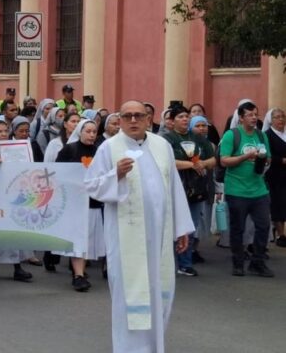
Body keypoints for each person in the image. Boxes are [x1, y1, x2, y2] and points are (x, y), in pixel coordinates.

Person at [86, 100, 194, 353]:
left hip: (159, 235)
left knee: (157, 289)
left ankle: (154, 347)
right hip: (125, 238)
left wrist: (181, 228)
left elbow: (173, 187)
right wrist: (116, 174)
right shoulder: (109, 148)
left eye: (138, 115)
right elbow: (91, 185)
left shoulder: (162, 145)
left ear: (148, 119)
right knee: (129, 292)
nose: (133, 120)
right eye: (127, 116)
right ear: (120, 121)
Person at [219, 101, 273, 277]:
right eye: (250, 115)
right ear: (241, 118)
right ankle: (238, 262)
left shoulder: (261, 136)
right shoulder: (232, 135)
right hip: (237, 190)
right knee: (238, 228)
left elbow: (269, 158)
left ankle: (257, 262)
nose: (254, 118)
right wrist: (246, 156)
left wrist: (263, 159)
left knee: (263, 226)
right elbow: (224, 161)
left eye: (256, 114)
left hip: (259, 189)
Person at [0, 118, 34, 282]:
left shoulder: (14, 148)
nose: (3, 134)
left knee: (13, 229)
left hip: (11, 193)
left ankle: (17, 267)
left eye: (5, 131)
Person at [163, 107, 216, 275]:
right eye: (180, 116)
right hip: (175, 186)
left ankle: (185, 263)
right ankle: (168, 262)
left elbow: (213, 159)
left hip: (196, 187)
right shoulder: (167, 139)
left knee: (190, 226)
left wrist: (202, 163)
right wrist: (192, 165)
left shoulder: (198, 138)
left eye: (187, 116)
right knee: (171, 225)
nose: (185, 119)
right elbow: (166, 161)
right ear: (172, 121)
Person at [55, 119, 103, 291]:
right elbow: (58, 173)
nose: (91, 135)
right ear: (80, 132)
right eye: (88, 131)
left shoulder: (99, 151)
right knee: (77, 238)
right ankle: (78, 275)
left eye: (94, 132)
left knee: (88, 238)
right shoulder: (69, 149)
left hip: (92, 201)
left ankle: (79, 270)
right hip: (74, 202)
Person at [265, 108, 286, 248]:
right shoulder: (268, 135)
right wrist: (282, 160)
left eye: (283, 116)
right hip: (275, 175)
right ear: (271, 120)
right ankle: (281, 235)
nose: (281, 119)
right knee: (278, 204)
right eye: (277, 117)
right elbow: (268, 155)